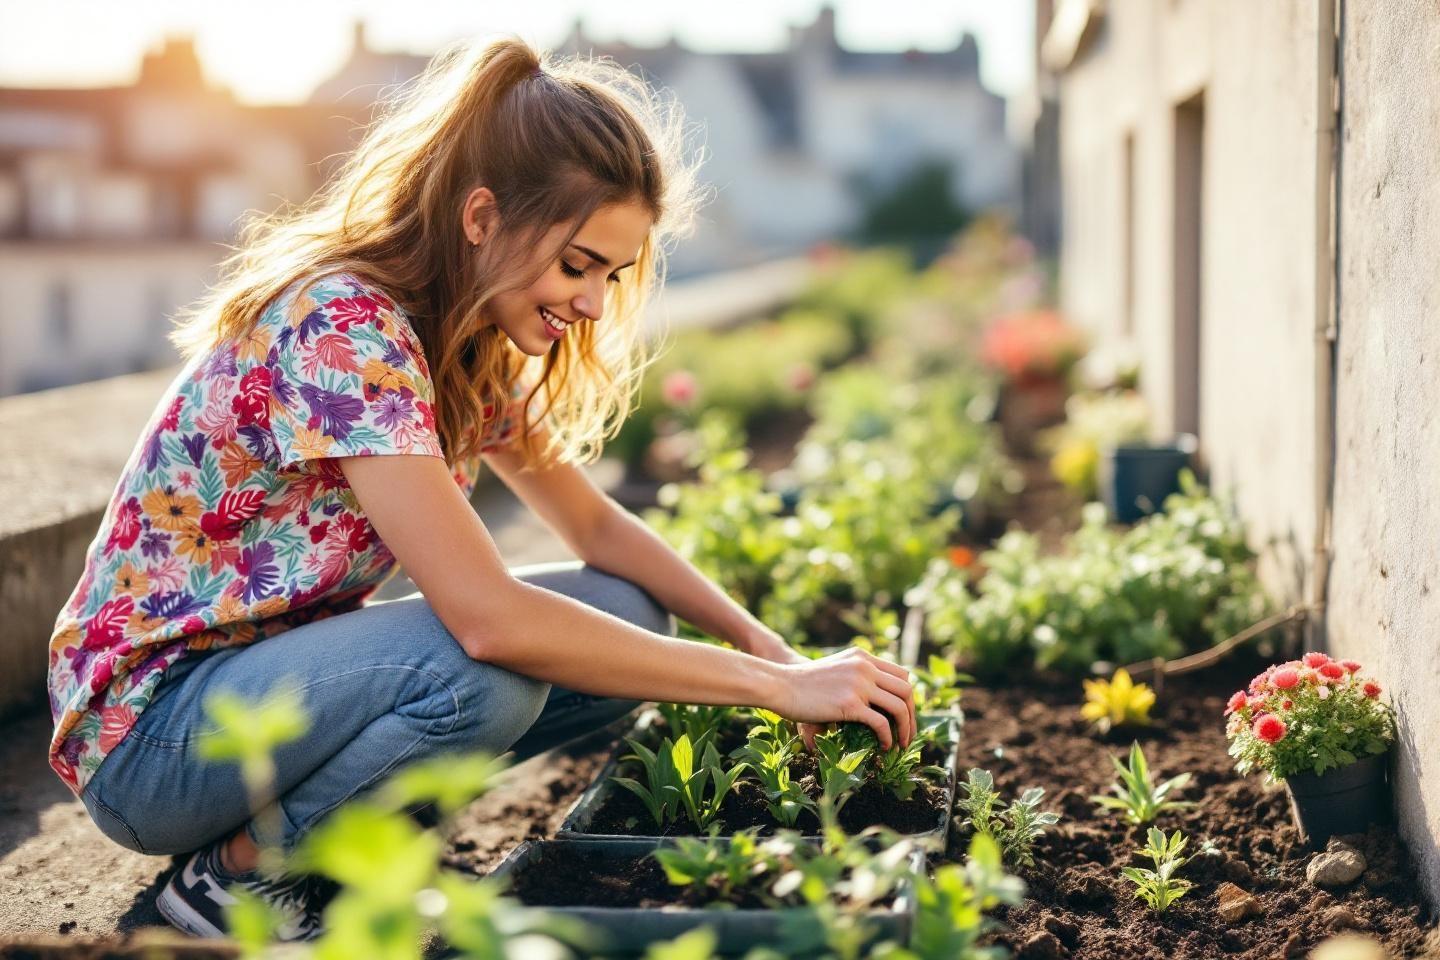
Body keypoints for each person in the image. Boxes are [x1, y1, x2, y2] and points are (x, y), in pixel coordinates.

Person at [44, 37, 916, 942]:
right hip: (151, 742)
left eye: (611, 276)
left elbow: (597, 528)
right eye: (578, 264)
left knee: (627, 609)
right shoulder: (344, 326)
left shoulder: (458, 342)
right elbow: (487, 619)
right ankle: (237, 885)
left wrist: (769, 651)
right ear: (482, 217)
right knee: (481, 676)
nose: (592, 304)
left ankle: (337, 845)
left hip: (264, 704)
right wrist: (773, 691)